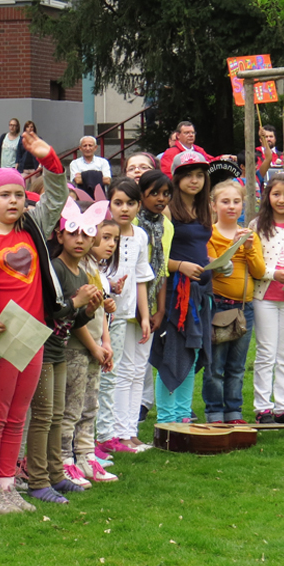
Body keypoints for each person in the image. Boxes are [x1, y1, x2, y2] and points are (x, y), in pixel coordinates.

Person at [0, 131, 68, 514]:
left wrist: (50, 160)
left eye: (19, 194)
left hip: (32, 333)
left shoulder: (33, 226)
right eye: (5, 195)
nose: (14, 201)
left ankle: (7, 485)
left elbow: (56, 197)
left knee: (18, 415)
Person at [26, 200, 104, 504]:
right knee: (43, 416)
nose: (80, 240)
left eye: (86, 234)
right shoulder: (54, 268)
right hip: (43, 349)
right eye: (73, 233)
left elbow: (72, 321)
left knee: (57, 415)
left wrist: (89, 311)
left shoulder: (82, 273)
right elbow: (48, 311)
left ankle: (56, 474)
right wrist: (77, 302)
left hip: (59, 349)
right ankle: (38, 480)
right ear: (60, 235)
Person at [151, 150, 215, 424]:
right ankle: (167, 419)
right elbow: (155, 256)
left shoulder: (204, 207)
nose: (194, 180)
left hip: (200, 291)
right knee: (172, 354)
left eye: (199, 175)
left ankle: (182, 415)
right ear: (176, 179)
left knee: (193, 351)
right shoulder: (166, 209)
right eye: (188, 175)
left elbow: (199, 246)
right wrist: (180, 266)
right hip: (175, 292)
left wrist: (213, 262)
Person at [97, 178, 154, 454]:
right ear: (109, 204)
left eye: (130, 203)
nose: (124, 209)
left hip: (131, 311)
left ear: (138, 206)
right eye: (118, 203)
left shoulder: (140, 235)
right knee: (115, 372)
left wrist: (145, 316)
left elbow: (141, 278)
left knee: (134, 371)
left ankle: (129, 431)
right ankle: (113, 432)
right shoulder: (103, 233)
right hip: (108, 314)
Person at [63, 219, 118, 486]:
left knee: (89, 405)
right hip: (77, 348)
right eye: (105, 236)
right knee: (71, 408)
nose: (110, 243)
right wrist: (94, 346)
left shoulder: (94, 267)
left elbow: (99, 311)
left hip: (95, 346)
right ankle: (65, 460)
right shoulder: (74, 268)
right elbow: (75, 318)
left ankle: (86, 457)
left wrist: (105, 342)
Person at [205, 180, 263, 425]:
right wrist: (232, 246)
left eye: (236, 202)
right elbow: (213, 269)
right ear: (213, 205)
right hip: (218, 306)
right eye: (225, 201)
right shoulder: (209, 234)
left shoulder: (251, 235)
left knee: (237, 366)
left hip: (243, 308)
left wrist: (248, 248)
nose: (231, 206)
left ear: (243, 205)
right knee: (215, 365)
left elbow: (259, 271)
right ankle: (214, 412)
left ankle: (234, 412)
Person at [249, 173, 284, 424]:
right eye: (276, 194)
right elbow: (253, 262)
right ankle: (263, 408)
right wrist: (273, 273)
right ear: (268, 196)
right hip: (264, 296)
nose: (282, 200)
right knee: (266, 352)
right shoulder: (257, 225)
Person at [135, 169, 174, 422]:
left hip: (150, 300)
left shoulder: (167, 226)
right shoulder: (133, 222)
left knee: (142, 359)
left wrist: (159, 310)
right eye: (154, 193)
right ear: (141, 195)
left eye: (166, 194)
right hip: (128, 298)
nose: (161, 199)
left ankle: (142, 404)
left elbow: (161, 270)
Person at [158, 121, 224, 176]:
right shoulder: (170, 153)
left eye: (193, 132)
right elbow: (167, 175)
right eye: (187, 133)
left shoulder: (199, 150)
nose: (191, 135)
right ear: (178, 135)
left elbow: (210, 161)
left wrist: (222, 158)